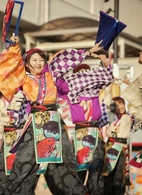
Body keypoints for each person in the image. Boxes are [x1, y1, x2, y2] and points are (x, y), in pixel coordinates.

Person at [0, 33, 104, 195]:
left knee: (66, 162)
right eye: (34, 60)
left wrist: (88, 51)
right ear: (27, 64)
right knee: (24, 162)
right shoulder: (24, 78)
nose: (38, 63)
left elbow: (64, 61)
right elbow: (10, 69)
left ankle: (79, 193)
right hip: (33, 123)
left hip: (54, 121)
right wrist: (15, 47)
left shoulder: (51, 75)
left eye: (41, 60)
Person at [50, 50, 113, 195]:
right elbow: (58, 81)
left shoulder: (96, 89)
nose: (84, 76)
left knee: (95, 171)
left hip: (95, 133)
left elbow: (107, 78)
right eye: (80, 73)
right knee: (78, 170)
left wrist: (105, 63)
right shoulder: (70, 90)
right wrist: (60, 63)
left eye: (87, 73)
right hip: (80, 134)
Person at [103, 96, 133, 195]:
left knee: (120, 176)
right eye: (117, 105)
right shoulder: (111, 116)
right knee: (108, 174)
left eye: (122, 103)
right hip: (111, 145)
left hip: (123, 147)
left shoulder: (129, 116)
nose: (121, 106)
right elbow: (105, 104)